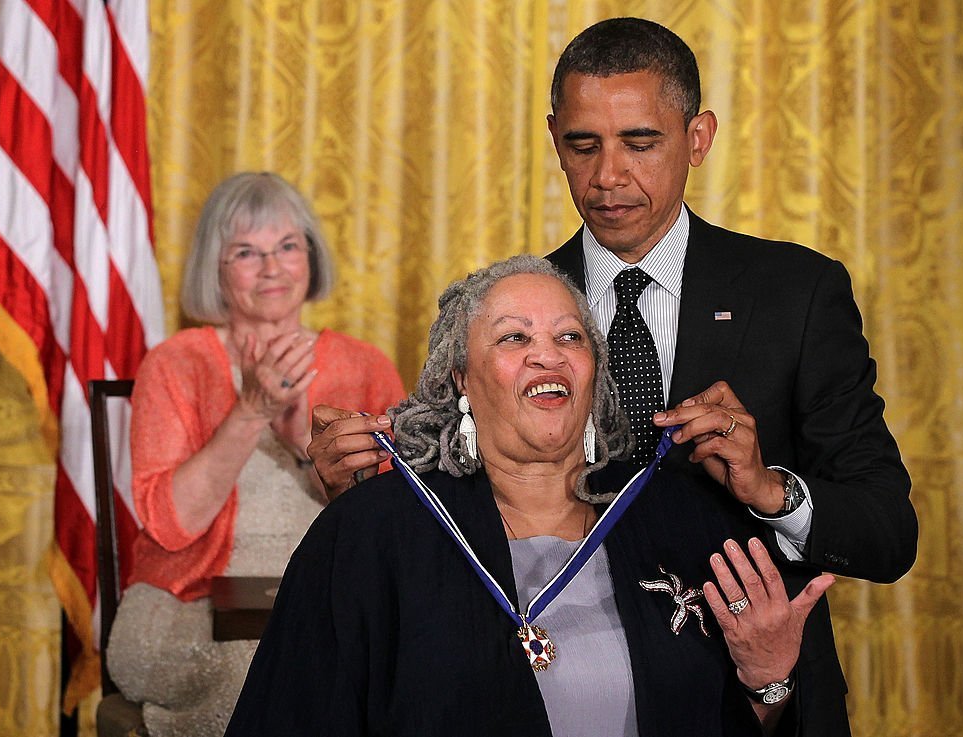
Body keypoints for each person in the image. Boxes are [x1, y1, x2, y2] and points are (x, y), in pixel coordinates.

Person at [309, 18, 917, 737]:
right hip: (550, 698)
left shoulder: (796, 293)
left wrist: (768, 489)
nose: (608, 177)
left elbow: (888, 532)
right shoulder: (512, 309)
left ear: (698, 138)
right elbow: (449, 497)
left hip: (764, 694)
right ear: (554, 140)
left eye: (640, 141)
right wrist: (357, 483)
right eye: (583, 145)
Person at [226, 255, 833, 737]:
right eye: (513, 338)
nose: (548, 353)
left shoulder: (684, 518)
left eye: (570, 336)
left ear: (594, 371)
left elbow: (731, 724)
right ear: (461, 376)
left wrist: (768, 680)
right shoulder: (370, 531)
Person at [105, 172, 406, 737]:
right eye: (246, 252)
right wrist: (250, 411)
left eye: (287, 247)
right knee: (264, 670)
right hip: (184, 609)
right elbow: (170, 525)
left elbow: (394, 523)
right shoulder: (175, 364)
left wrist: (301, 441)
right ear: (214, 269)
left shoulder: (364, 365)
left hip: (325, 605)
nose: (272, 268)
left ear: (310, 257)